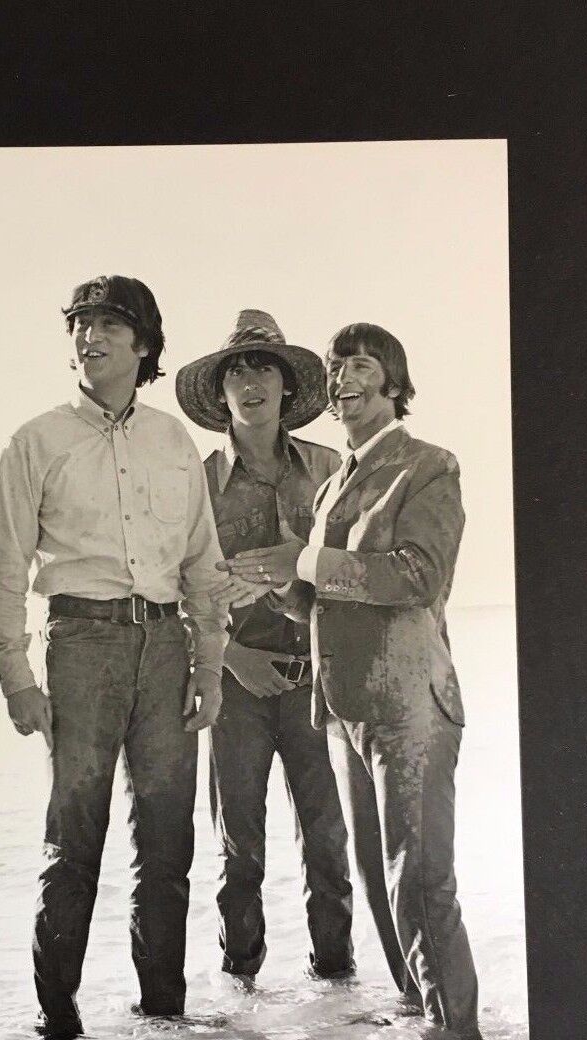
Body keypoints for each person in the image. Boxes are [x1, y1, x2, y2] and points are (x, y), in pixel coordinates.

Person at [219, 322, 481, 1040]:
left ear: (394, 382)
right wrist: (278, 587)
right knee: (375, 873)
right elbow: (323, 601)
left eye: (361, 365)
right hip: (343, 711)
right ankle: (416, 1010)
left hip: (409, 704)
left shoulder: (427, 465)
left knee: (419, 872)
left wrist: (303, 559)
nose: (343, 379)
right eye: (335, 368)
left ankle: (455, 1029)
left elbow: (416, 575)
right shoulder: (335, 483)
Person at [0, 274, 228, 1040]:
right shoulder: (35, 440)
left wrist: (208, 664)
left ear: (143, 344)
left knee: (167, 841)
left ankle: (164, 1022)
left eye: (108, 325)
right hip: (80, 644)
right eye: (80, 325)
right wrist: (15, 677)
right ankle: (57, 1029)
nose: (89, 338)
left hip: (167, 646)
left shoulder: (173, 442)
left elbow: (202, 561)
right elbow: (2, 567)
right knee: (73, 839)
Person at [175, 310, 354, 985]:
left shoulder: (332, 469)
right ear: (220, 393)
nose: (251, 384)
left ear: (287, 386)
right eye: (237, 373)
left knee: (328, 845)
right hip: (236, 689)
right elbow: (173, 590)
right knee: (239, 851)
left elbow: (354, 574)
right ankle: (240, 995)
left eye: (264, 370)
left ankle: (337, 992)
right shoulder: (195, 482)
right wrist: (231, 658)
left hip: (319, 686)